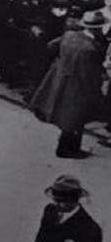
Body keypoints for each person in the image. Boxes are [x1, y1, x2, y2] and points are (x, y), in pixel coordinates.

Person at [30, 10, 106, 159]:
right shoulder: (90, 48)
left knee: (68, 116)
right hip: (79, 86)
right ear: (97, 28)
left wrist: (61, 63)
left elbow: (51, 46)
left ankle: (69, 147)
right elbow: (89, 74)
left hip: (62, 79)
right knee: (75, 118)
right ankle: (67, 149)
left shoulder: (70, 35)